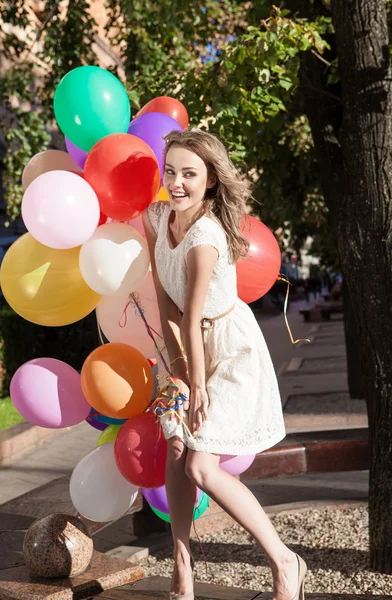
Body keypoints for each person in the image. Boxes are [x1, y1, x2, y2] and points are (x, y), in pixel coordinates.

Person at [142, 129, 307, 600]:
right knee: (176, 450)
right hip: (184, 347)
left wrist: (196, 387)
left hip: (228, 350)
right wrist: (175, 369)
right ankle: (182, 570)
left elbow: (193, 318)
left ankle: (285, 561)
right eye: (170, 171)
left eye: (189, 174)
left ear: (211, 180)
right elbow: (166, 305)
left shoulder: (206, 235)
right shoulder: (157, 217)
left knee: (202, 467)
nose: (176, 183)